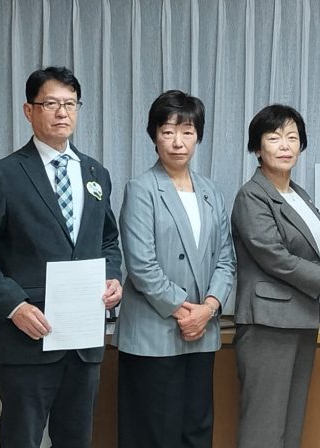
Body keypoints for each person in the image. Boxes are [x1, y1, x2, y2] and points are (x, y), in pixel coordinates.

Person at [0, 66, 123, 448]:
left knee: (76, 439)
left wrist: (113, 277)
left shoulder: (96, 173)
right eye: (51, 103)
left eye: (70, 104)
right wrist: (14, 305)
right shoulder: (5, 174)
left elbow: (108, 241)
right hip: (28, 337)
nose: (62, 112)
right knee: (22, 440)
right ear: (29, 110)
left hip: (83, 341)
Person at [113, 90, 235, 448]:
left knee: (197, 430)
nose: (178, 142)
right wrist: (186, 313)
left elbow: (226, 259)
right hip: (154, 334)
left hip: (202, 332)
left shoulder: (211, 192)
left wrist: (208, 309)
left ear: (198, 136)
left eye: (187, 132)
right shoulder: (141, 189)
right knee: (155, 435)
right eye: (167, 131)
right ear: (154, 136)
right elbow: (142, 266)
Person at [231, 104, 320, 448]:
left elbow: (298, 247)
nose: (285, 145)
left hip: (300, 318)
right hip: (268, 324)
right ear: (257, 148)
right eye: (274, 138)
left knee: (290, 422)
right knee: (264, 426)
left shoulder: (298, 194)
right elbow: (274, 256)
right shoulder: (252, 195)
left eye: (292, 137)